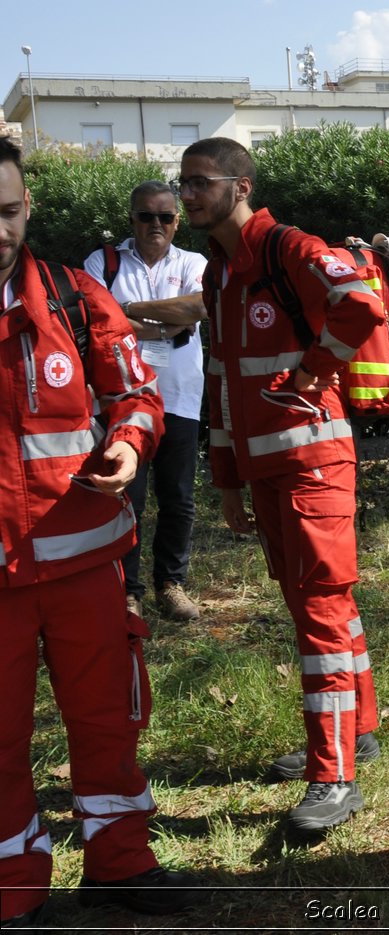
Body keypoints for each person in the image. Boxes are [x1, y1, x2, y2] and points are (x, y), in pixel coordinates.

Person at [0, 135, 200, 924]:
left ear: (28, 206)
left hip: (85, 567)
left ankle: (120, 861)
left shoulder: (77, 296)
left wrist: (127, 442)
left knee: (108, 719)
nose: (0, 229)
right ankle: (14, 890)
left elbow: (138, 392)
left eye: (10, 210)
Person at [185, 137, 386, 832]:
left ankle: (333, 776)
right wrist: (228, 480)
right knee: (318, 605)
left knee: (321, 609)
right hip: (268, 470)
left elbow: (361, 305)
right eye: (182, 184)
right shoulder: (220, 273)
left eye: (199, 182)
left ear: (240, 186)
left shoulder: (287, 247)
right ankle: (355, 731)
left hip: (312, 462)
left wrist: (315, 367)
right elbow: (220, 379)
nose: (186, 196)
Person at [84, 181, 207, 622]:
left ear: (176, 221)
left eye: (166, 217)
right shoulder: (103, 262)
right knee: (125, 497)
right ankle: (127, 590)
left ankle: (171, 585)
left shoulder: (195, 262)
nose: (156, 225)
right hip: (122, 401)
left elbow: (199, 306)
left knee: (177, 497)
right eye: (146, 216)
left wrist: (129, 311)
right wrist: (162, 322)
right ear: (131, 218)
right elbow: (99, 322)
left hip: (180, 397)